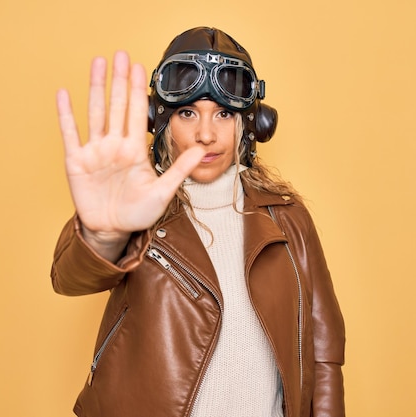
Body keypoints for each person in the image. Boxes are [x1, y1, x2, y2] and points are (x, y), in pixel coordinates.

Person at [51, 26, 345, 417]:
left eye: (223, 114)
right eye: (188, 113)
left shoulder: (289, 219)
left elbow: (323, 352)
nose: (205, 134)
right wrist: (105, 234)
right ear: (160, 121)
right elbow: (69, 278)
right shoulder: (137, 211)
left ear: (251, 124)